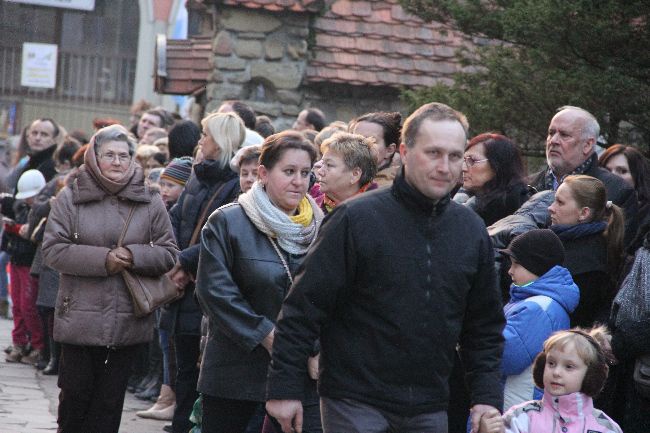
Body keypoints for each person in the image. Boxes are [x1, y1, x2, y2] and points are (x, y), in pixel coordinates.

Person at [266, 102, 505, 433]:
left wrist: (486, 398)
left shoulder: (470, 230)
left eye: (454, 155)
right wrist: (284, 388)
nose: (445, 166)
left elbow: (483, 325)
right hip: (354, 400)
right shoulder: (355, 219)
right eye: (433, 153)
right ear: (404, 152)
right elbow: (303, 308)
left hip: (430, 406)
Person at [41, 124, 178, 432]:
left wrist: (133, 255)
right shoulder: (71, 195)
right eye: (109, 155)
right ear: (94, 157)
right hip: (78, 316)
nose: (117, 162)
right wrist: (103, 260)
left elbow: (169, 252)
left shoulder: (149, 199)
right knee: (74, 399)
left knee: (109, 404)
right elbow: (53, 249)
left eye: (124, 155)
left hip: (127, 317)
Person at [196, 130, 324, 433]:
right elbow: (215, 293)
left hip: (299, 374)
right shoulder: (228, 221)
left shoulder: (322, 227)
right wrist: (267, 334)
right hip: (235, 373)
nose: (298, 181)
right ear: (264, 174)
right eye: (289, 171)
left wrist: (315, 347)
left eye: (305, 173)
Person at [161, 111, 244, 433]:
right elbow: (175, 218)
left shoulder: (234, 184)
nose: (200, 140)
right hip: (182, 282)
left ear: (220, 140)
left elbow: (220, 236)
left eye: (206, 134)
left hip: (202, 284)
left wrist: (185, 262)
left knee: (199, 369)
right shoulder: (197, 175)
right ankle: (179, 423)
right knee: (182, 364)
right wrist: (175, 258)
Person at [478, 327, 622, 433]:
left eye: (569, 367)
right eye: (551, 363)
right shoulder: (521, 416)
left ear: (591, 376)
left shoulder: (605, 428)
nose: (557, 372)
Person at [528, 106, 637, 245]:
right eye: (551, 133)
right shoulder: (527, 185)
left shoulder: (618, 191)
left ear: (587, 145)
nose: (553, 140)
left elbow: (615, 252)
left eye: (564, 135)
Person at [498, 229, 579, 411]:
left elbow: (504, 355)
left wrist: (473, 333)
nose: (510, 271)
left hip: (515, 407)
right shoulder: (533, 302)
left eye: (516, 265)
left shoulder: (538, 308)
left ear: (536, 266)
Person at [548, 175, 624, 327]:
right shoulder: (561, 240)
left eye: (560, 202)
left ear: (584, 213)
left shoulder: (589, 263)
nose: (550, 208)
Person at [4, 169, 47, 364]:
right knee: (18, 305)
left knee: (28, 305)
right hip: (17, 259)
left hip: (29, 263)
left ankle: (37, 345)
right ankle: (20, 341)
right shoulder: (21, 208)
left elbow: (30, 234)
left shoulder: (42, 209)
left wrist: (15, 229)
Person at [459, 133, 531, 226]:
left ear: (497, 165)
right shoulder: (464, 202)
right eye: (463, 160)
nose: (463, 168)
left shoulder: (522, 209)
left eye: (472, 161)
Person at [314, 132, 378, 214]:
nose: (320, 171)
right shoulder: (310, 210)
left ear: (355, 174)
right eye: (323, 164)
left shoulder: (377, 211)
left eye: (329, 165)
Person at [599, 143, 650, 232]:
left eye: (622, 171)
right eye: (607, 170)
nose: (612, 176)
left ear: (637, 176)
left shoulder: (646, 217)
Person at [349, 111, 402, 186]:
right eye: (355, 140)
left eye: (371, 140)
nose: (359, 146)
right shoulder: (354, 180)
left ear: (389, 150)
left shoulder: (389, 188)